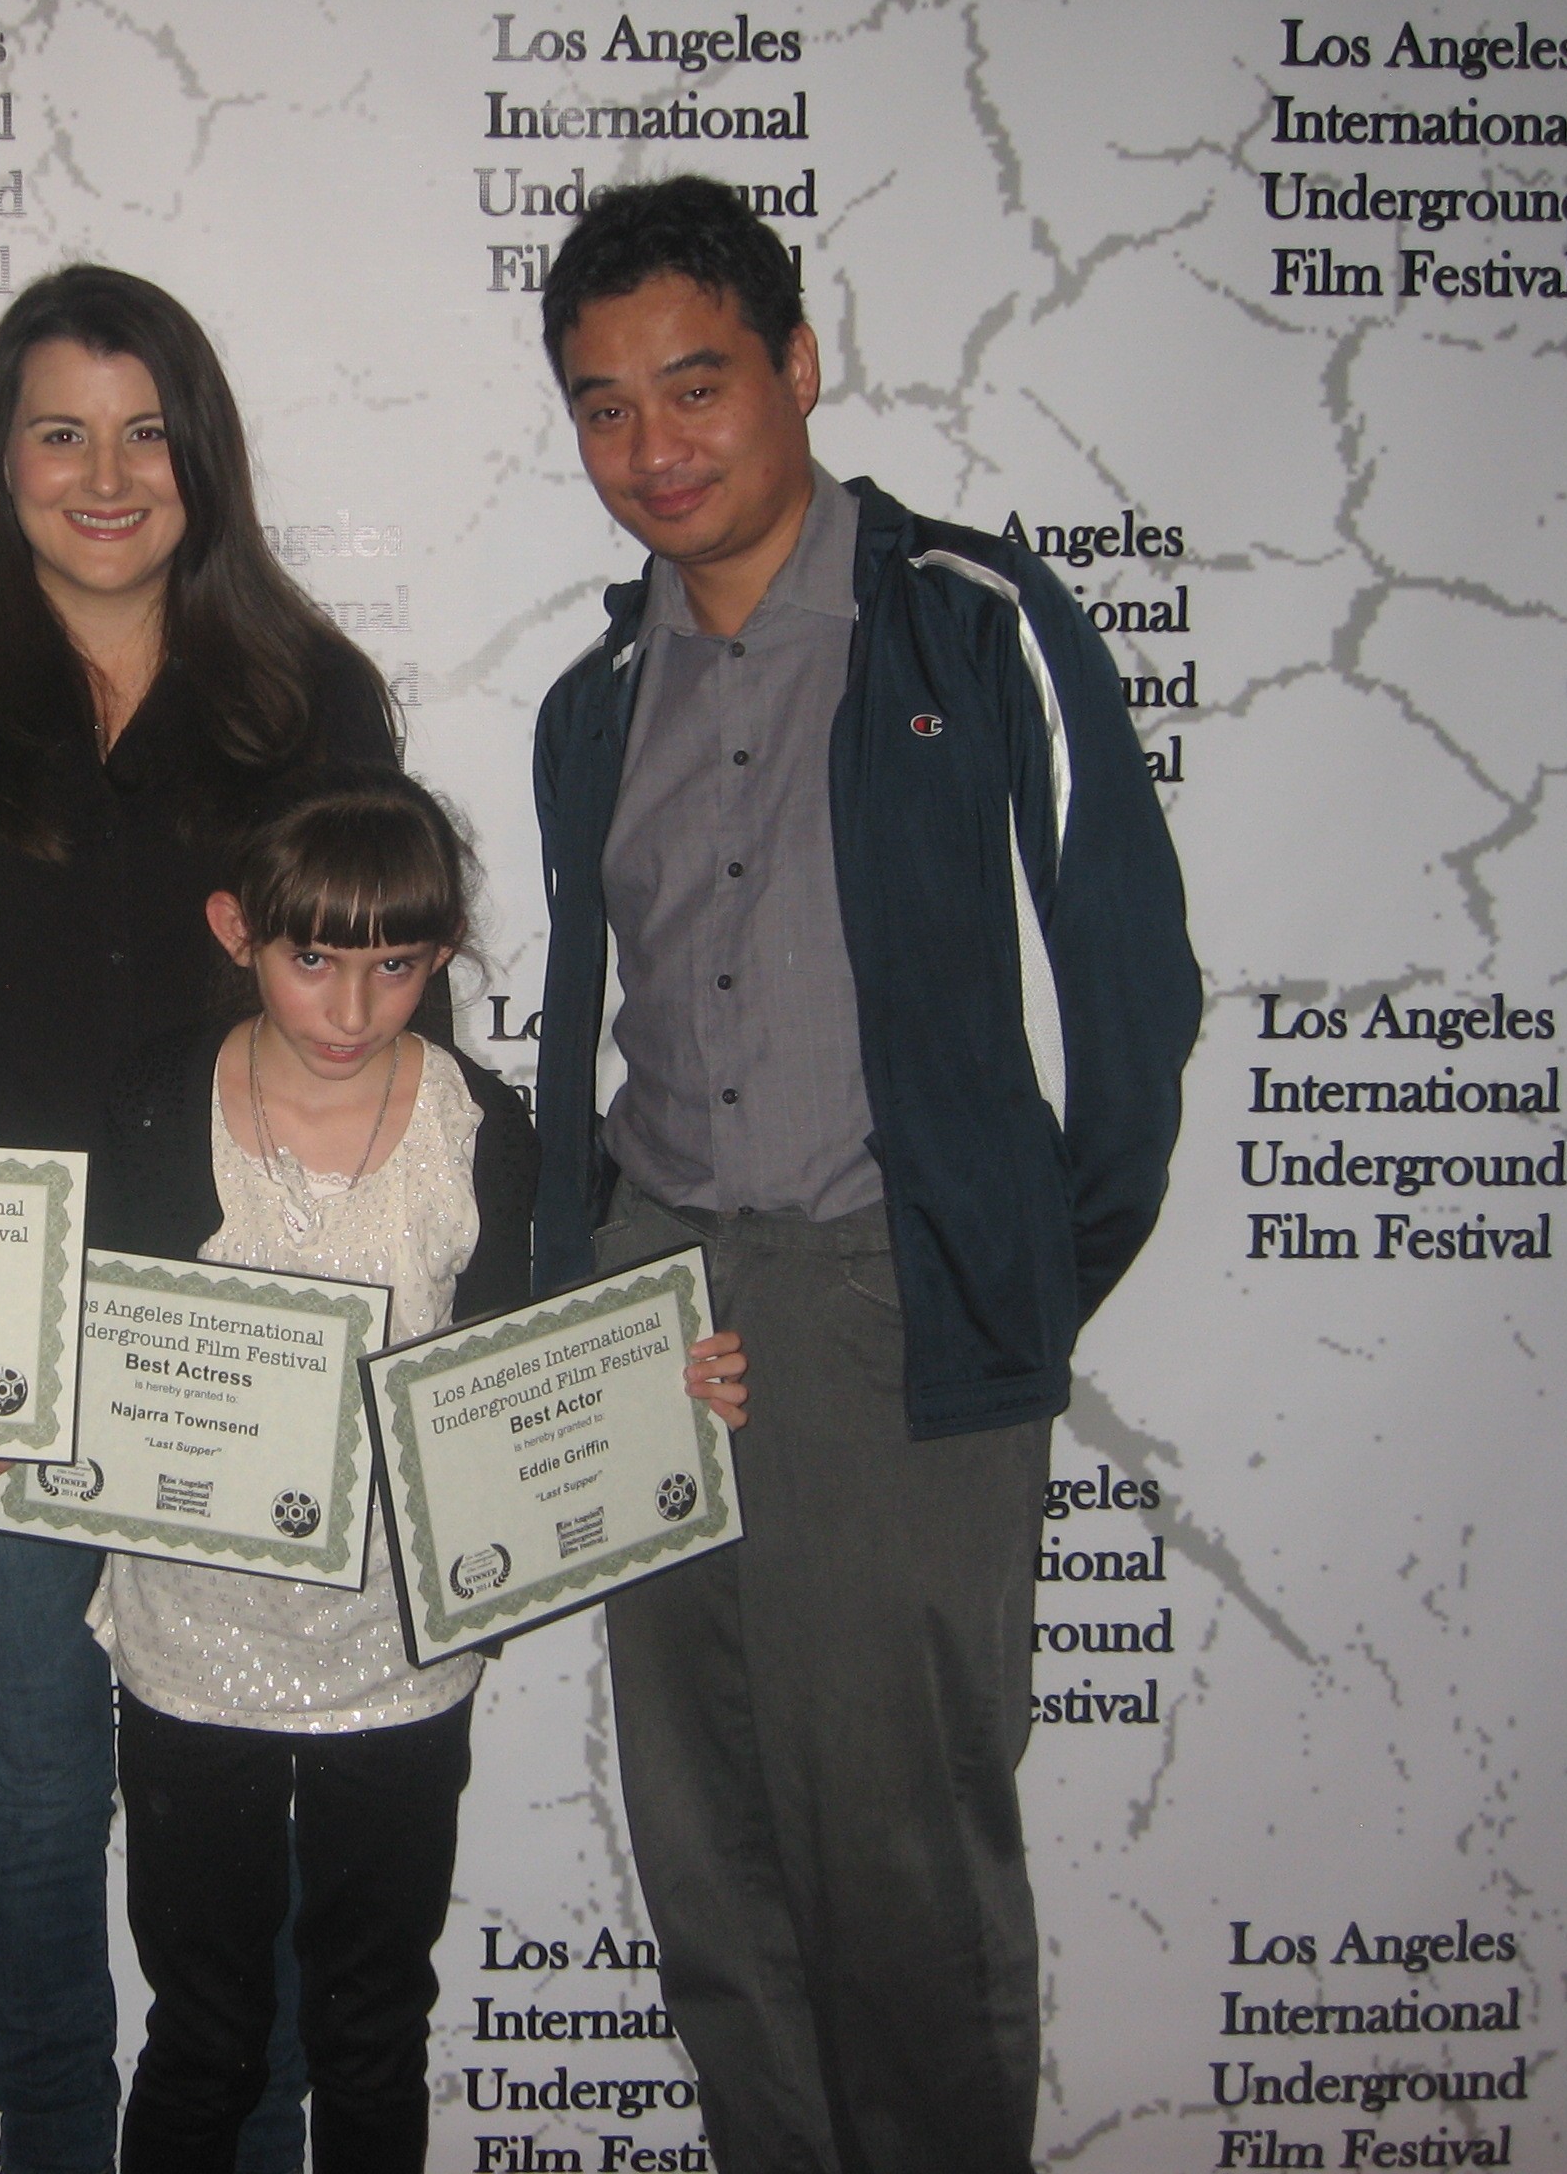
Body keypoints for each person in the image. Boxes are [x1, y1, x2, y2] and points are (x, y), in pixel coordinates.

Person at [525, 177, 1199, 2171]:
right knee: (713, 1862)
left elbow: (1130, 986)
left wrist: (997, 1274)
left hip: (884, 1306)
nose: (654, 445)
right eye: (602, 404)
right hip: (664, 1310)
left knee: (903, 1875)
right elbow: (590, 1017)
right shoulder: (597, 700)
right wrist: (596, 1274)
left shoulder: (964, 621)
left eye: (698, 384)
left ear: (799, 369)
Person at [0, 267, 407, 2174]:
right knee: (43, 1795)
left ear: (202, 456)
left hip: (237, 1338)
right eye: (60, 428)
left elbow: (389, 1018)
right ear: (2, 464)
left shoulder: (312, 698)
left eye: (147, 427)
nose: (105, 471)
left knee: (254, 1797)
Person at [88, 767, 747, 2174]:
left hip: (399, 1648)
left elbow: (520, 1370)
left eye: (394, 966)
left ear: (438, 958)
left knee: (374, 2022)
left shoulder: (483, 1129)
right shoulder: (150, 1102)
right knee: (202, 2026)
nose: (348, 1007)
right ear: (235, 930)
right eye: (309, 958)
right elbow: (78, 1340)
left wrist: (660, 1385)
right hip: (191, 1639)